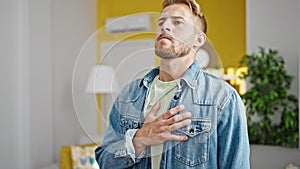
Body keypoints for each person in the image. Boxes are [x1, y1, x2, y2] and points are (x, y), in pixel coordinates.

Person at [95, 0, 250, 168]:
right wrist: (138, 140)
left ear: (198, 39)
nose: (165, 26)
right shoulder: (128, 95)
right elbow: (105, 161)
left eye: (178, 22)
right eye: (161, 21)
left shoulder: (224, 99)